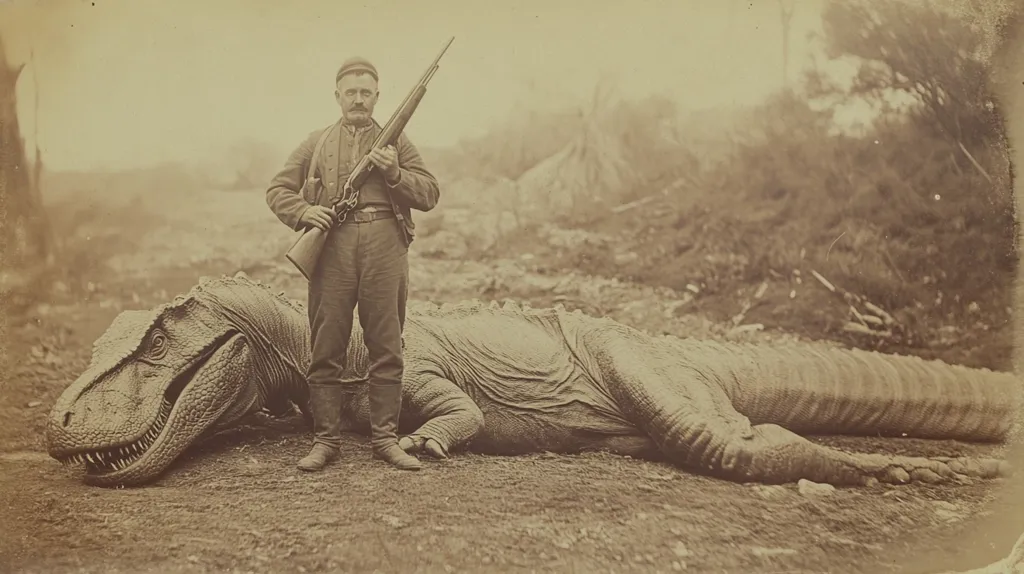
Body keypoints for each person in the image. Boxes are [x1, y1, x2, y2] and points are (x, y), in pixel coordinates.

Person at [265, 56, 440, 472]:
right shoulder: (316, 141)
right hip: (333, 249)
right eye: (351, 93)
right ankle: (325, 441)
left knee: (387, 346)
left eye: (366, 92)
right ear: (338, 96)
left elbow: (430, 193)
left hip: (385, 247)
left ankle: (385, 440)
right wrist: (305, 214)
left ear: (378, 97)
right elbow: (277, 190)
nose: (358, 100)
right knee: (326, 348)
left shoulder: (397, 141)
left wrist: (396, 173)